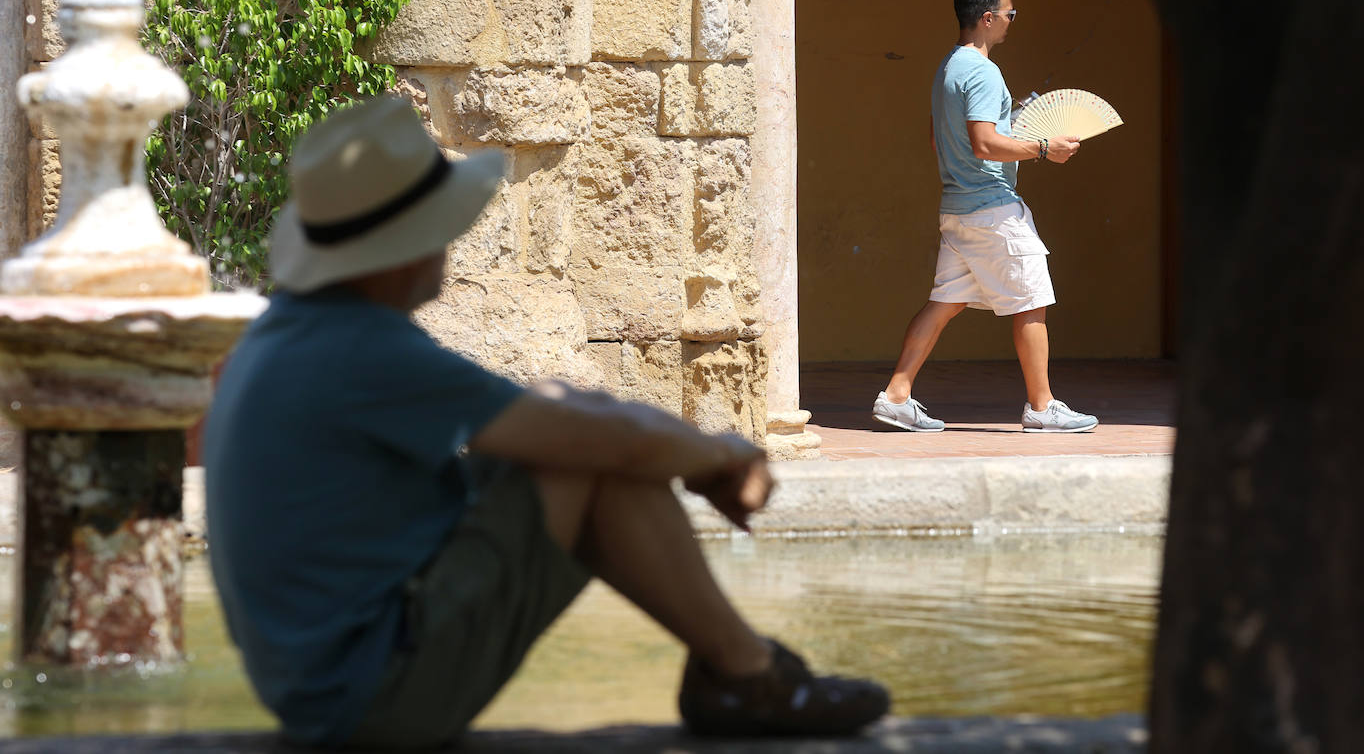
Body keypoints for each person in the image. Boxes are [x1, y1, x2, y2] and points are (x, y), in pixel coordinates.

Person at [203, 96, 889, 749]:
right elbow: (594, 441)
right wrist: (720, 457)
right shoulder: (360, 348)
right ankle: (748, 678)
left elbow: (560, 409)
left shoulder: (291, 333)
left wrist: (700, 456)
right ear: (409, 247)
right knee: (586, 458)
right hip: (373, 699)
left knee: (574, 425)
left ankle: (743, 672)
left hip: (324, 690)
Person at [872, 0, 1098, 435]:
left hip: (958, 207)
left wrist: (1010, 126)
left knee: (943, 302)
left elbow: (945, 140)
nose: (1014, 22)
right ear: (989, 17)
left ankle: (895, 396)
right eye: (1011, 14)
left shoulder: (949, 68)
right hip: (992, 209)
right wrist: (1042, 148)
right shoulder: (983, 71)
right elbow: (983, 143)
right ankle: (1042, 407)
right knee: (1032, 301)